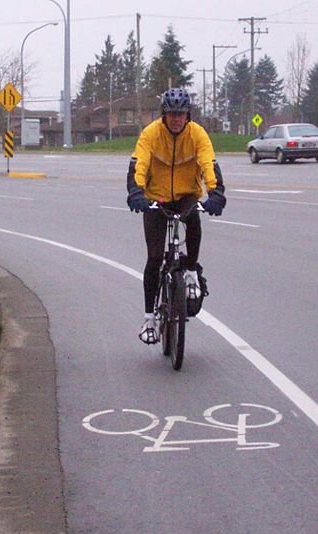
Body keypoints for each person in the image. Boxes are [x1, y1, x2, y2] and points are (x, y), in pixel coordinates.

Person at [126, 87, 227, 344]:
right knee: (154, 257)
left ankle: (191, 271)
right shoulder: (151, 134)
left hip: (185, 195)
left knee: (193, 218)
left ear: (187, 115)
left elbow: (208, 164)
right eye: (171, 114)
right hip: (156, 198)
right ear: (164, 114)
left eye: (181, 114)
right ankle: (149, 317)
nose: (176, 119)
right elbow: (139, 164)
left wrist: (215, 193)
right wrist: (136, 192)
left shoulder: (197, 134)